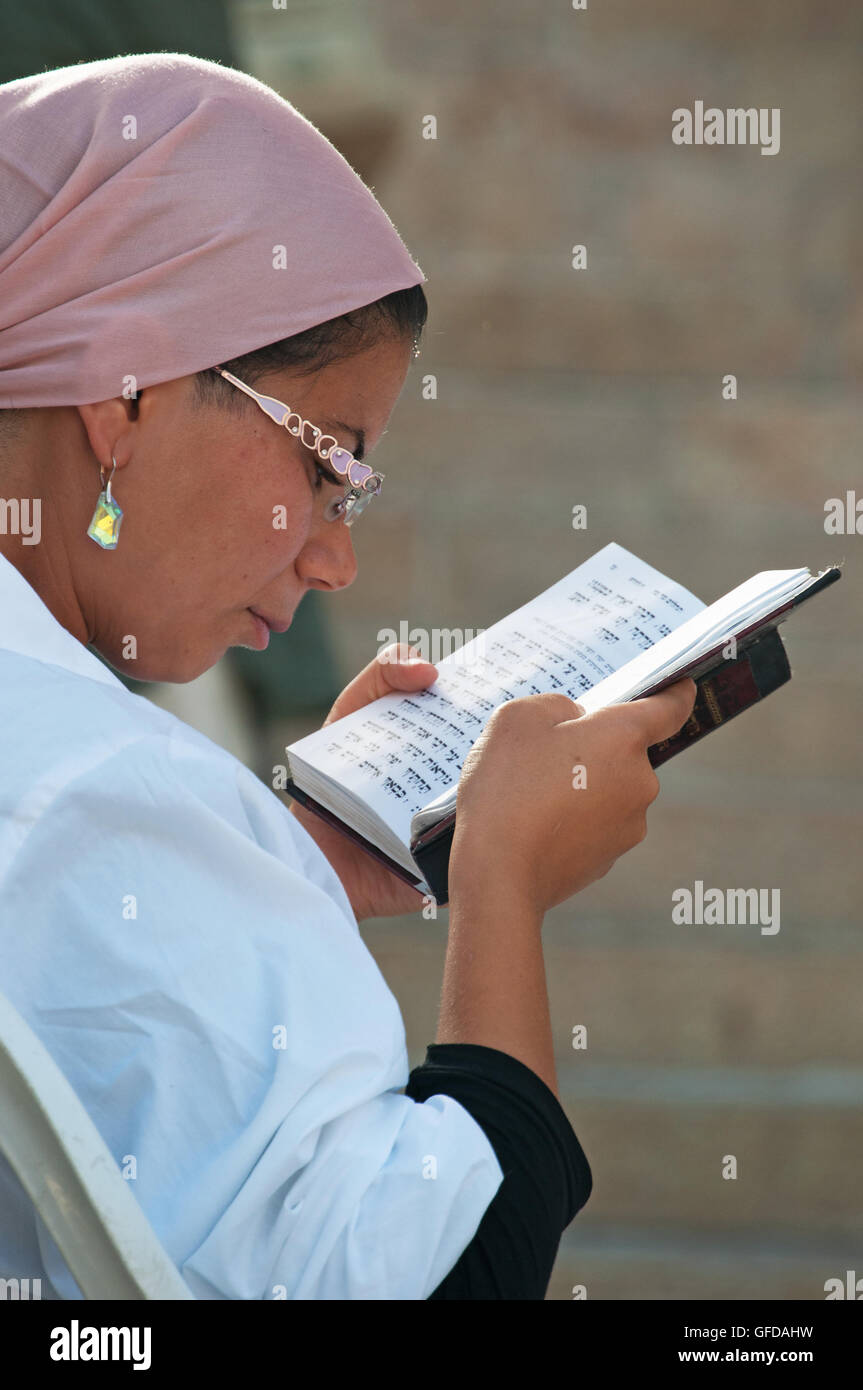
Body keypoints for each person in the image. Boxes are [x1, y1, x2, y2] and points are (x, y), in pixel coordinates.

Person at [0, 53, 696, 1300]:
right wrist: (498, 879)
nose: (333, 555)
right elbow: (437, 1279)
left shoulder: (76, 769)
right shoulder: (104, 781)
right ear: (126, 395)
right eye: (330, 465)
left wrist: (276, 858)